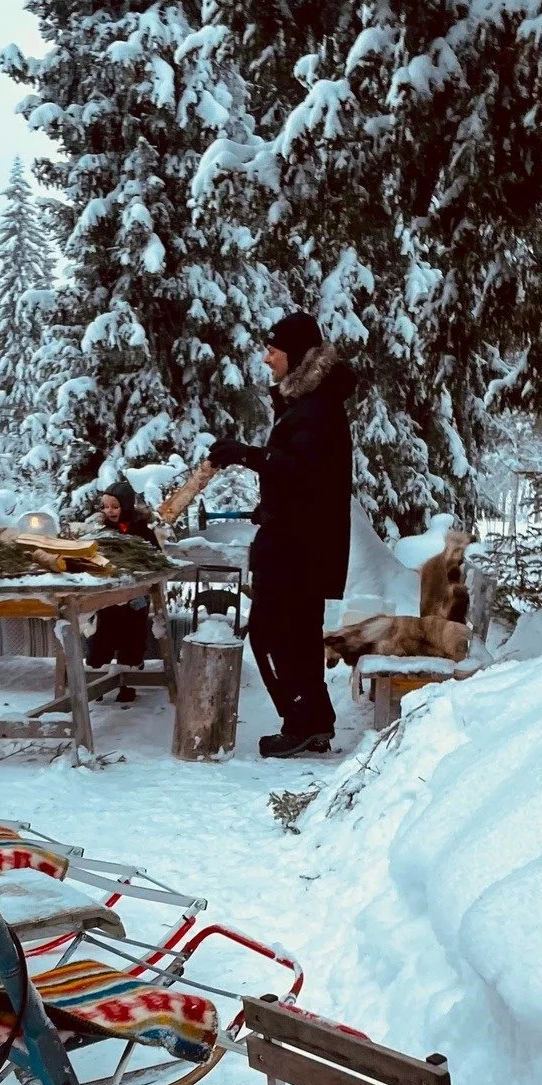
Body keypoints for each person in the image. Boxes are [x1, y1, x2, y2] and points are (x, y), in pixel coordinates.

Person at [207, 311, 354, 757]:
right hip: (296, 541)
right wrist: (269, 508)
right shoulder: (308, 404)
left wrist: (247, 455)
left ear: (297, 355)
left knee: (272, 634)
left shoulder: (317, 409)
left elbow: (304, 475)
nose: (266, 357)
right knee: (295, 634)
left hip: (297, 550)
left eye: (274, 349)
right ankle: (313, 722)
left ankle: (301, 722)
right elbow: (305, 481)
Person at [86, 477, 154, 702]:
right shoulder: (102, 531)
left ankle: (129, 683)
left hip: (135, 597)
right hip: (107, 595)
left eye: (114, 506)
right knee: (102, 636)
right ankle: (98, 680)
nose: (109, 511)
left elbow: (153, 557)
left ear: (126, 506)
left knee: (131, 639)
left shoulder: (141, 531)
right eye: (105, 506)